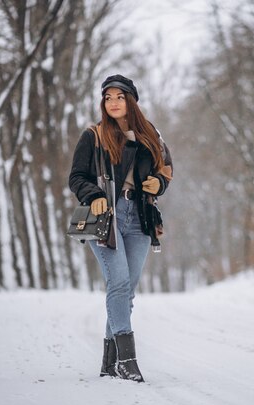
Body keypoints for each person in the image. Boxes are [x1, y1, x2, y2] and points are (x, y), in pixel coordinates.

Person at [68, 74, 173, 382]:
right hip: (106, 219)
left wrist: (160, 183)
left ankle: (109, 361)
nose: (113, 102)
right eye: (108, 97)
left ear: (131, 100)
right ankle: (127, 361)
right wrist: (94, 194)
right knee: (119, 283)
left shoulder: (150, 134)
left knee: (127, 291)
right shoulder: (94, 136)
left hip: (140, 217)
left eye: (119, 96)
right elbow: (76, 177)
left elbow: (165, 167)